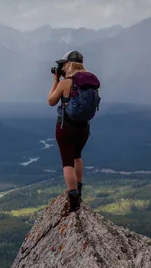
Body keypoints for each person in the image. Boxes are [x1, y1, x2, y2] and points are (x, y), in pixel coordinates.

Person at [47, 50, 100, 213]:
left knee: (67, 163)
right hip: (83, 128)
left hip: (66, 127)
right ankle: (79, 190)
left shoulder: (66, 83)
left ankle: (73, 200)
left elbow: (50, 101)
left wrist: (55, 81)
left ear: (67, 65)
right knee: (77, 156)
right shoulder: (88, 83)